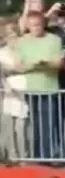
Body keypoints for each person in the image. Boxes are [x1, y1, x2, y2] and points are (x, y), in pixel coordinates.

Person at [16, 11, 64, 160]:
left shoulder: (54, 40)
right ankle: (37, 155)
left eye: (38, 25)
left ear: (43, 24)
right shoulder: (21, 42)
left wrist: (45, 63)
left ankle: (49, 155)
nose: (35, 28)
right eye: (32, 26)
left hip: (49, 88)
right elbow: (19, 66)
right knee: (34, 125)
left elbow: (58, 63)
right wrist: (36, 64)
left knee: (49, 123)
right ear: (28, 26)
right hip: (31, 89)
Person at [0, 23, 30, 161]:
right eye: (8, 35)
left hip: (23, 87)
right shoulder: (2, 52)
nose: (12, 38)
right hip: (8, 90)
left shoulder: (24, 50)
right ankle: (11, 155)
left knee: (22, 125)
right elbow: (2, 71)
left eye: (14, 35)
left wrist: (11, 68)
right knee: (9, 125)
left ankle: (24, 156)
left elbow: (24, 67)